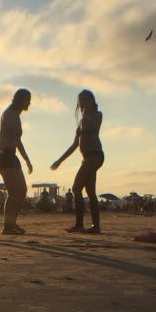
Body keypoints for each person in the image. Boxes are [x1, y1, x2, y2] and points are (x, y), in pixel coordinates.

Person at [51, 89, 104, 233]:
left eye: (84, 99)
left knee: (76, 188)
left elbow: (93, 126)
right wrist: (60, 160)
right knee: (90, 191)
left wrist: (86, 114)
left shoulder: (96, 115)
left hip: (95, 155)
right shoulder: (80, 122)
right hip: (87, 158)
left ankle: (81, 224)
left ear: (91, 100)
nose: (82, 103)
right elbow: (74, 145)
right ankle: (95, 226)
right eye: (80, 100)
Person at [0, 88, 33, 234]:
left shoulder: (16, 115)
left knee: (22, 191)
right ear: (20, 100)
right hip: (2, 155)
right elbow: (8, 137)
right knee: (14, 192)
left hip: (11, 155)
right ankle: (7, 226)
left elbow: (17, 141)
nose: (29, 103)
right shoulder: (9, 114)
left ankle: (12, 223)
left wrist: (27, 159)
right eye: (27, 100)